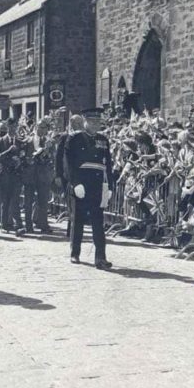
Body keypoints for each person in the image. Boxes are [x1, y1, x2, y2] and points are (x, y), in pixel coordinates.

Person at [64, 108, 114, 269]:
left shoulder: (103, 140)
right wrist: (75, 183)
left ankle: (100, 257)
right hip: (81, 184)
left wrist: (110, 186)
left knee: (98, 222)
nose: (95, 125)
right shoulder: (75, 138)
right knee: (77, 220)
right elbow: (69, 163)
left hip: (97, 185)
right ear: (85, 121)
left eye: (98, 122)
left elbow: (108, 164)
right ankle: (75, 253)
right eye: (92, 122)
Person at [21, 117, 55, 234]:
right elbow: (23, 157)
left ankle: (43, 224)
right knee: (28, 201)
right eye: (39, 127)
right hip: (30, 175)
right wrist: (27, 161)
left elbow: (53, 157)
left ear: (47, 129)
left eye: (44, 128)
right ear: (36, 127)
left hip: (43, 175)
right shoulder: (28, 140)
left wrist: (48, 152)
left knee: (43, 201)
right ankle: (28, 226)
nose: (41, 130)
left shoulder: (49, 142)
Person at [0, 117, 24, 235]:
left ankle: (18, 225)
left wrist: (20, 160)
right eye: (10, 127)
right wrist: (9, 151)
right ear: (7, 127)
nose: (12, 129)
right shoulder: (0, 141)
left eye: (14, 126)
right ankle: (4, 225)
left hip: (16, 176)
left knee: (15, 201)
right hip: (4, 176)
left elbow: (24, 156)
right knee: (5, 201)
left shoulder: (20, 141)